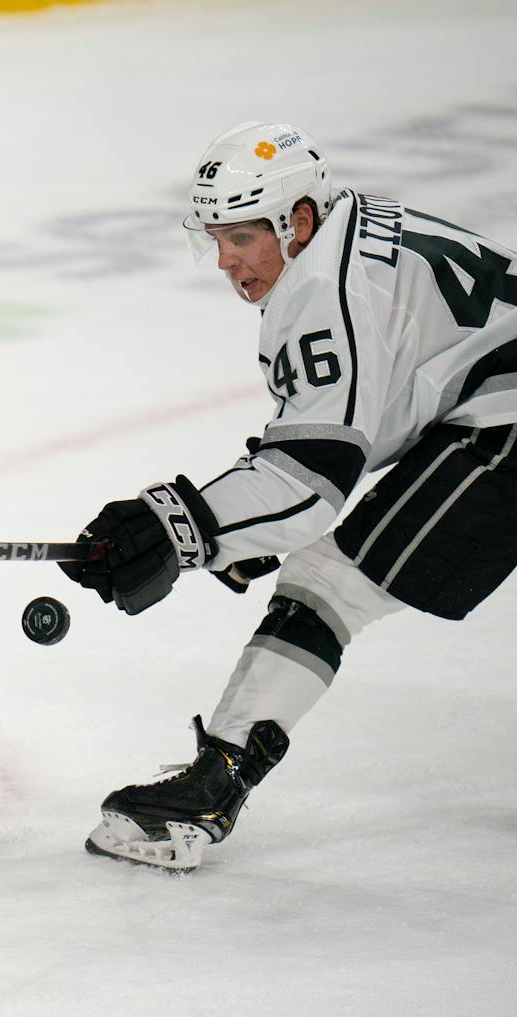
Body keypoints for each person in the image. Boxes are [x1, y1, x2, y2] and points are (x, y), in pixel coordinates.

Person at [60, 121, 517, 871]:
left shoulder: (324, 290)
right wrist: (239, 528)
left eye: (241, 236)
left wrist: (183, 527)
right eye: (215, 238)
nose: (226, 261)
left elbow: (309, 485)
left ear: (295, 220)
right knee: (320, 571)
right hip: (492, 400)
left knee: (330, 582)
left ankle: (217, 786)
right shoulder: (344, 240)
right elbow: (362, 419)